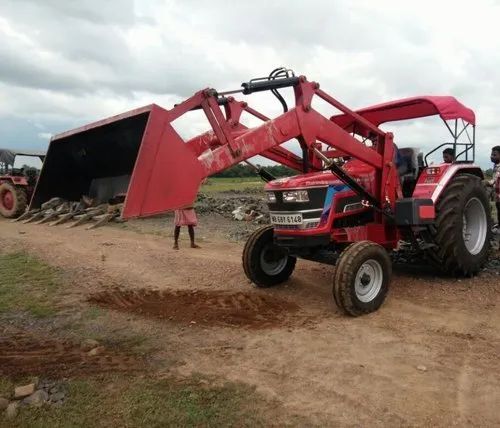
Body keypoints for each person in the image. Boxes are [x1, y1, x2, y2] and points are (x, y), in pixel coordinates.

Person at [488, 146, 500, 230]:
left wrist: (488, 183)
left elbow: (496, 178)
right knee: (498, 208)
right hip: (497, 192)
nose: (492, 156)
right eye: (491, 154)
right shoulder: (496, 165)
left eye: (494, 155)